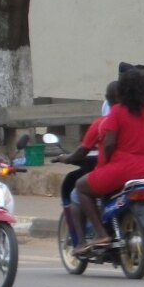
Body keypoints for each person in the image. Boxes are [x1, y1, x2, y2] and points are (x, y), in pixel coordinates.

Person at [74, 68, 144, 256]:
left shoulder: (117, 112)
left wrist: (105, 163)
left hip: (120, 170)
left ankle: (101, 235)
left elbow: (109, 144)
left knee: (81, 187)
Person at [52, 81, 117, 247]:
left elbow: (84, 151)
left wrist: (67, 158)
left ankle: (83, 242)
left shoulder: (104, 123)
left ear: (108, 101)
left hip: (114, 172)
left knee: (78, 191)